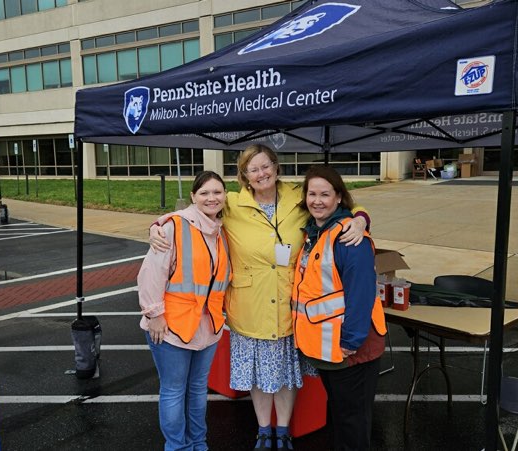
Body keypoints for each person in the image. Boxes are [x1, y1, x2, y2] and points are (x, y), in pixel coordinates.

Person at [151, 144, 370, 451]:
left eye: (266, 166)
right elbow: (195, 211)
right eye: (253, 169)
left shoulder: (299, 197)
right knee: (256, 374)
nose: (261, 173)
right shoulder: (232, 204)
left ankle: (283, 430)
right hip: (248, 305)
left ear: (276, 167)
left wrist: (361, 220)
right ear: (244, 176)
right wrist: (158, 225)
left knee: (285, 375)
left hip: (289, 305)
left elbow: (341, 203)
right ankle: (263, 430)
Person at [291, 165, 386, 451]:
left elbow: (362, 293)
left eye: (325, 194)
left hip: (351, 350)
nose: (317, 200)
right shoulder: (315, 232)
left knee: (352, 423)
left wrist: (350, 342)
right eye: (312, 193)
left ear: (339, 198)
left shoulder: (349, 238)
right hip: (329, 348)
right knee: (342, 418)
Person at [138, 171, 233, 451]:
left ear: (225, 196)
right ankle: (177, 447)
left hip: (208, 327)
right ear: (193, 197)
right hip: (171, 327)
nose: (211, 198)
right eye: (204, 193)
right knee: (173, 390)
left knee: (197, 389)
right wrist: (154, 315)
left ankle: (198, 443)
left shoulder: (221, 231)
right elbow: (151, 273)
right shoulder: (173, 226)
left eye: (217, 192)